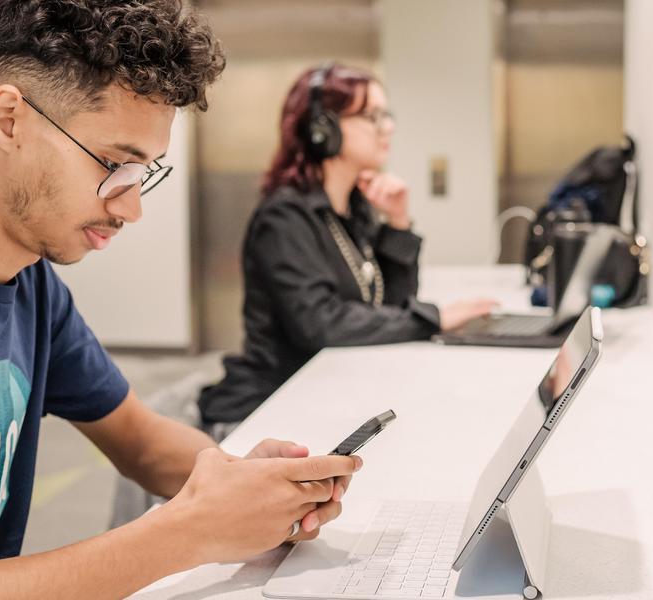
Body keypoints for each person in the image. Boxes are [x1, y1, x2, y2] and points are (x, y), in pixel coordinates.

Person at [0, 1, 359, 597]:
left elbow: (141, 442)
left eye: (143, 173)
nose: (131, 207)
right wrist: (188, 532)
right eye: (114, 163)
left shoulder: (30, 282)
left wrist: (245, 485)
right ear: (7, 121)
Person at [197, 63, 497, 434]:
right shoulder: (285, 217)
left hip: (325, 394)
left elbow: (391, 307)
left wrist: (398, 223)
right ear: (322, 129)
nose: (388, 127)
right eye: (372, 116)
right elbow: (322, 324)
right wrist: (435, 318)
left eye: (386, 115)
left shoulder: (353, 209)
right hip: (266, 408)